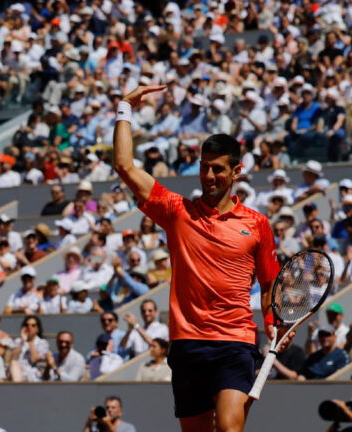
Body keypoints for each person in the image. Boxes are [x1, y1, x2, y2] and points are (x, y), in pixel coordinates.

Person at [113, 87, 284, 430]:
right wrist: (124, 110)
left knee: (230, 427)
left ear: (236, 172)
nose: (209, 177)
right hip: (188, 344)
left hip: (235, 342)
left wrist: (272, 322)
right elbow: (125, 166)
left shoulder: (257, 224)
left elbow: (269, 285)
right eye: (204, 167)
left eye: (218, 169)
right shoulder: (178, 212)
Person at [8, 316, 50, 382]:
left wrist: (30, 341)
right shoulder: (18, 341)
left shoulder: (42, 343)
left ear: (37, 328)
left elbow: (34, 359)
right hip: (16, 371)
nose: (29, 327)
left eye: (33, 325)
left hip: (32, 374)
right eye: (27, 325)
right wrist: (23, 342)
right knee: (13, 363)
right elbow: (12, 358)